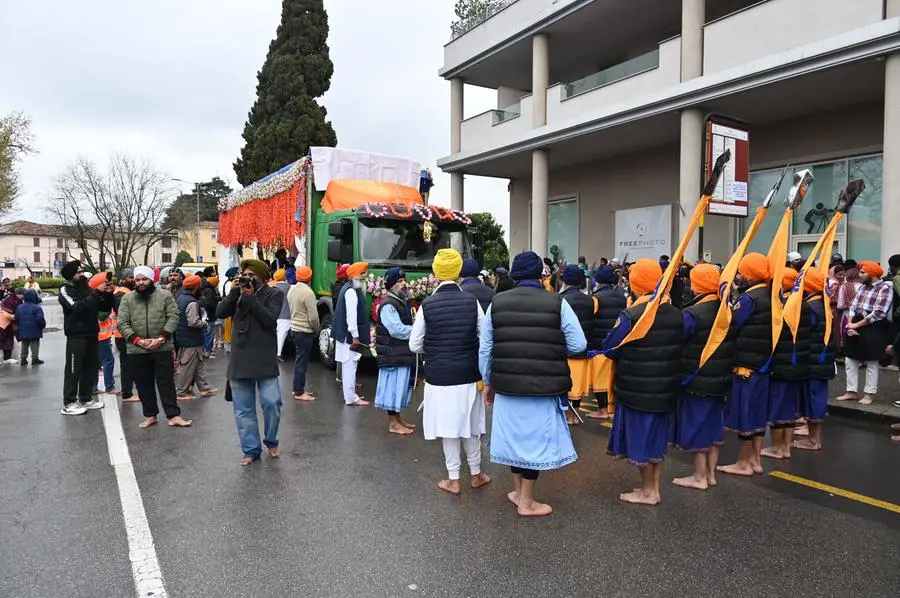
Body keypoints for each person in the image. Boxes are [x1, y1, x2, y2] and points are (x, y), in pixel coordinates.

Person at [482, 250, 585, 516]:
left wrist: (488, 381)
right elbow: (579, 344)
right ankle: (526, 502)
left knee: (514, 441)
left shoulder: (497, 302)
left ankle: (519, 494)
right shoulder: (557, 302)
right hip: (543, 386)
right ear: (541, 273)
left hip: (506, 385)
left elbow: (485, 349)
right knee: (534, 443)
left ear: (515, 274)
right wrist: (551, 347)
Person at [410, 248, 491, 494]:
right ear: (457, 272)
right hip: (469, 375)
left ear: (435, 271)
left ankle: (454, 479)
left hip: (439, 377)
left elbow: (414, 344)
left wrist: (435, 346)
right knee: (470, 426)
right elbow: (484, 336)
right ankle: (476, 475)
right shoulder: (471, 301)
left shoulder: (428, 304)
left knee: (448, 429)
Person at [604, 259, 682, 505]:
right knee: (656, 441)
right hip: (666, 387)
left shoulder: (632, 314)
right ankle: (653, 488)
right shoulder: (676, 312)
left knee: (642, 440)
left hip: (637, 389)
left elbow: (610, 347)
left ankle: (649, 492)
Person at [672, 264, 735, 490]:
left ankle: (698, 477)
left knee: (697, 425)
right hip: (721, 377)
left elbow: (680, 340)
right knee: (713, 425)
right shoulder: (726, 308)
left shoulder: (692, 313)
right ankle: (710, 474)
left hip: (696, 378)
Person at [216, 259, 284, 465]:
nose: (247, 279)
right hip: (240, 357)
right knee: (243, 409)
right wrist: (234, 292)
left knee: (272, 402)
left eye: (251, 275)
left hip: (264, 357)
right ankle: (251, 450)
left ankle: (271, 440)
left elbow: (269, 319)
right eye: (244, 275)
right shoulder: (236, 293)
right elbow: (220, 313)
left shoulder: (275, 294)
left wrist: (251, 297)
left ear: (262, 277)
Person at [718, 253, 772, 476]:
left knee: (745, 415)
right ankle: (756, 461)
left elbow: (732, 325)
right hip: (763, 364)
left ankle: (743, 462)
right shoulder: (770, 294)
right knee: (758, 415)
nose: (738, 276)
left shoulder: (748, 299)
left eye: (741, 272)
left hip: (745, 366)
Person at [117, 266, 192, 429]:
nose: (141, 283)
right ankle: (150, 415)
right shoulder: (127, 299)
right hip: (137, 349)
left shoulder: (164, 296)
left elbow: (173, 316)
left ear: (151, 280)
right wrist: (137, 340)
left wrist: (161, 338)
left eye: (144, 279)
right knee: (143, 383)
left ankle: (173, 415)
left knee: (166, 382)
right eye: (137, 280)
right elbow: (122, 322)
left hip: (162, 347)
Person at [762, 269, 810, 460]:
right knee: (790, 407)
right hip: (799, 362)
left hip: (783, 363)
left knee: (778, 408)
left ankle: (776, 448)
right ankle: (786, 447)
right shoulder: (804, 304)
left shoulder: (783, 305)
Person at [58, 260, 114, 415]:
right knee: (74, 369)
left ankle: (85, 397)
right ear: (71, 275)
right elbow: (77, 307)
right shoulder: (65, 290)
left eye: (82, 271)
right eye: (79, 272)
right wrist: (96, 293)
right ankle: (69, 402)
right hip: (76, 335)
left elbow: (103, 307)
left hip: (91, 333)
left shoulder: (87, 289)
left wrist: (107, 294)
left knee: (90, 368)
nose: (82, 274)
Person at [836, 261, 893, 405]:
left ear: (872, 274)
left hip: (873, 327)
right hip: (856, 323)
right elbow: (853, 306)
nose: (859, 275)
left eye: (863, 272)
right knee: (850, 359)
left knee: (871, 361)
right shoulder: (862, 287)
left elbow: (879, 312)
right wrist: (850, 324)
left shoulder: (885, 288)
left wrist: (856, 324)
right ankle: (851, 391)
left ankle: (869, 394)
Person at [793, 269, 835, 450]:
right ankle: (812, 437)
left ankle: (814, 440)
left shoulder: (811, 307)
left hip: (814, 360)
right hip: (820, 359)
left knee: (814, 399)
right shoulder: (821, 303)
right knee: (815, 397)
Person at [374, 267, 417, 435]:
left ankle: (398, 418)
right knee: (393, 388)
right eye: (399, 282)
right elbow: (396, 330)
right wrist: (418, 330)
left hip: (399, 353)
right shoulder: (388, 305)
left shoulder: (399, 302)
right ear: (391, 285)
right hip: (392, 354)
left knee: (400, 387)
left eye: (404, 280)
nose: (404, 284)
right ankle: (393, 423)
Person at [586, 265, 626, 420]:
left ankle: (602, 410)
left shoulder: (595, 298)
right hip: (618, 342)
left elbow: (591, 319)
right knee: (614, 377)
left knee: (600, 379)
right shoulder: (622, 296)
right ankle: (613, 408)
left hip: (600, 344)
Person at [558, 264, 595, 425]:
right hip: (584, 349)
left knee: (566, 384)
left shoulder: (561, 300)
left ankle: (567, 415)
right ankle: (576, 413)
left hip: (566, 350)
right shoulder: (590, 300)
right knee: (578, 385)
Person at [332, 262, 371, 407]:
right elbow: (351, 317)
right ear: (355, 276)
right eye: (362, 275)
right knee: (350, 367)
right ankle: (351, 398)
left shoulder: (348, 288)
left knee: (349, 366)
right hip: (349, 337)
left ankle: (351, 395)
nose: (364, 278)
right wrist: (355, 336)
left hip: (345, 335)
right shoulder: (351, 292)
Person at [174, 275, 217, 400]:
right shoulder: (191, 302)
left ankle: (203, 388)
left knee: (198, 364)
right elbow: (193, 321)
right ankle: (181, 392)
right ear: (196, 287)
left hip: (189, 338)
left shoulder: (182, 298)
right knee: (188, 366)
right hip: (190, 338)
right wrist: (204, 324)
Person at [287, 266, 319, 401]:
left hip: (294, 329)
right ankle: (299, 392)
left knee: (299, 360)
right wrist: (316, 329)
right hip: (305, 331)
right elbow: (313, 317)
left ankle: (298, 389)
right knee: (302, 362)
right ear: (309, 277)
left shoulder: (292, 289)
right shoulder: (309, 293)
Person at [114, 269, 138, 402]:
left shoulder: (124, 292)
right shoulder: (121, 294)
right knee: (127, 364)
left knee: (128, 363)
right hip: (123, 335)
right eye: (130, 277)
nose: (133, 280)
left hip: (123, 334)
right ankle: (127, 393)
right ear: (124, 279)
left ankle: (127, 391)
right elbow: (124, 316)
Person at [95, 289, 119, 394]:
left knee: (95, 362)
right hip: (101, 337)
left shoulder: (90, 297)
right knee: (108, 361)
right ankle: (109, 386)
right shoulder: (99, 301)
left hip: (98, 336)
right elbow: (102, 316)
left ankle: (92, 387)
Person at [15, 289, 45, 365]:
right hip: (35, 330)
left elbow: (16, 318)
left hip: (23, 330)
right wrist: (42, 325)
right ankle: (35, 359)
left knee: (24, 344)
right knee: (34, 345)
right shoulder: (37, 307)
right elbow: (40, 318)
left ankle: (23, 359)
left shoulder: (19, 307)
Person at [198, 266, 220, 358]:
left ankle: (207, 350)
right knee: (208, 334)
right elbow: (210, 303)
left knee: (207, 333)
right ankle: (207, 351)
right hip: (209, 315)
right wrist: (217, 302)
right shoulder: (209, 290)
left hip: (206, 315)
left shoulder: (205, 288)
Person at [272, 268, 292, 361]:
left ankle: (274, 352)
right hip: (285, 315)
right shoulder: (290, 287)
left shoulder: (273, 288)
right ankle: (278, 354)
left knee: (275, 335)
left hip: (274, 315)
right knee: (281, 335)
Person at [0, 288, 22, 363]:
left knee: (9, 340)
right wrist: (13, 316)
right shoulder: (10, 300)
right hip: (2, 323)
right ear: (18, 294)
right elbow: (3, 311)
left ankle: (7, 358)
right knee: (1, 339)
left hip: (9, 324)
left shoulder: (18, 300)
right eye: (22, 295)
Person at [221, 266, 239, 354]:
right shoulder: (229, 284)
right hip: (229, 308)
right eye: (236, 274)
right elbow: (230, 296)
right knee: (229, 327)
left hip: (231, 307)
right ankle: (229, 346)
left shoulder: (229, 283)